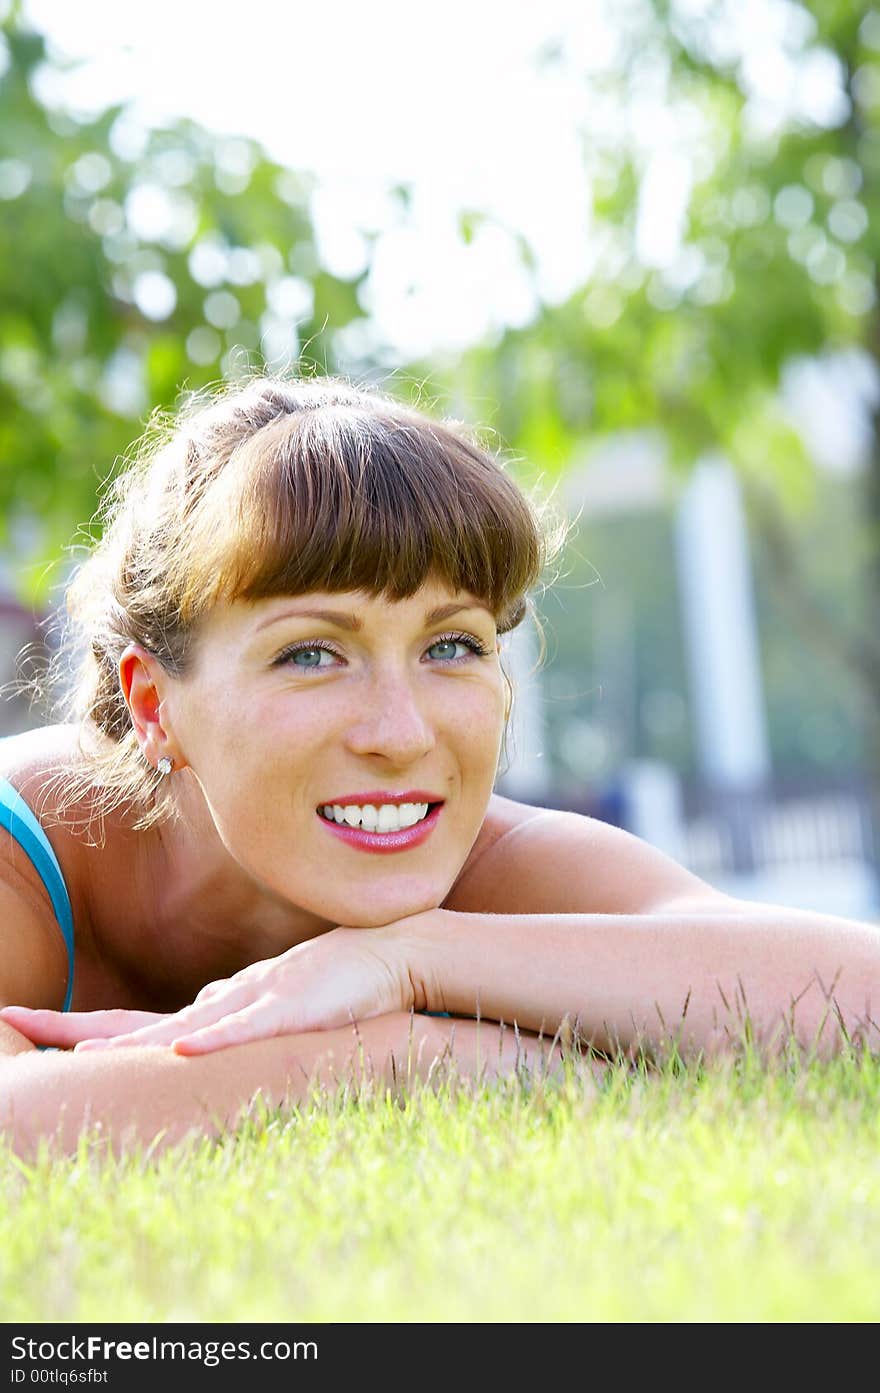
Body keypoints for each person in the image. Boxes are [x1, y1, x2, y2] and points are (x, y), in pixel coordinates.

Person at [0, 374, 877, 1160]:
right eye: (311, 653)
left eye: (453, 643)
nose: (402, 732)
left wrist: (418, 957)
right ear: (153, 704)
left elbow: (851, 1002)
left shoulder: (488, 862)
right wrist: (407, 1052)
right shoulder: (21, 859)